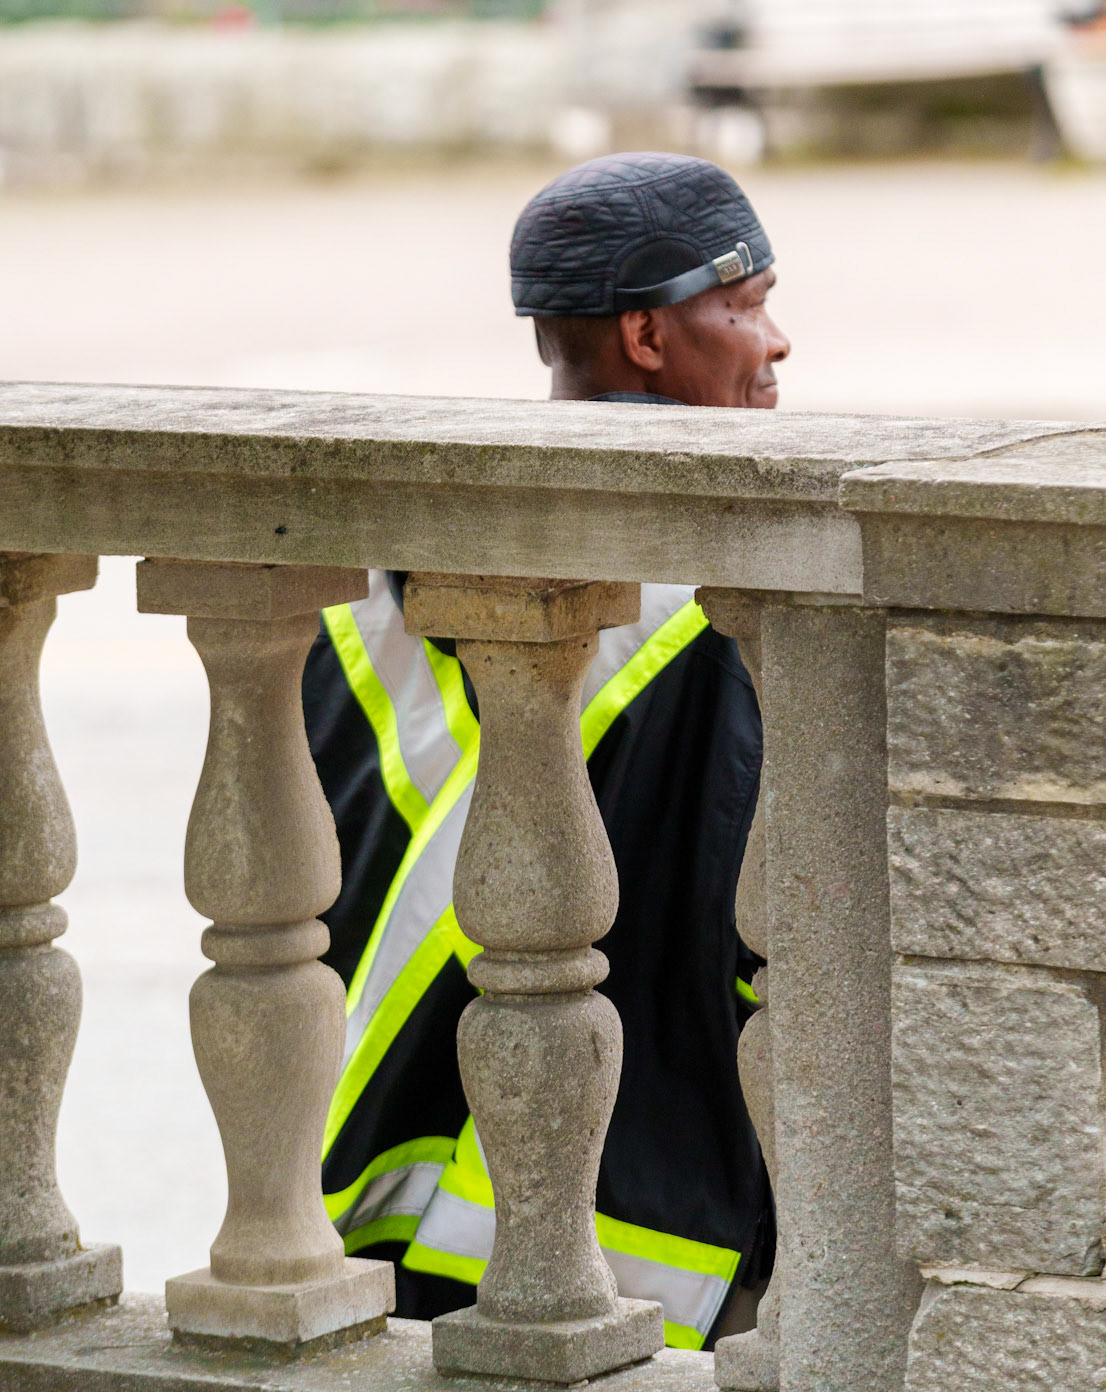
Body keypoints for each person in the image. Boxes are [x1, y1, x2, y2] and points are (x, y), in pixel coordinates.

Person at [303, 152, 791, 1351]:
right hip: (639, 1228)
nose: (777, 340)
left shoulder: (358, 590)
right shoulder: (718, 616)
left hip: (380, 1184)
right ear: (646, 334)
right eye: (746, 305)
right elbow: (760, 940)